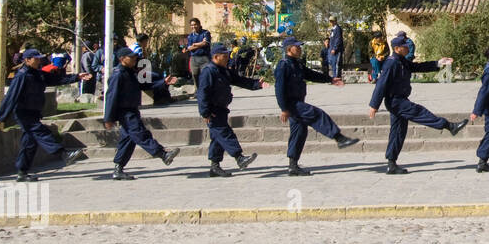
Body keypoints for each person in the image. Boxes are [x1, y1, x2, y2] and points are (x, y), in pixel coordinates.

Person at [368, 32, 465, 174]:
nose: (407, 47)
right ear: (397, 48)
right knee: (419, 112)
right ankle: (450, 126)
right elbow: (381, 85)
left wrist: (438, 63)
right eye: (404, 45)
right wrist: (374, 105)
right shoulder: (391, 63)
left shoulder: (401, 60)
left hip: (399, 100)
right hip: (396, 101)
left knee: (398, 132)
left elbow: (418, 67)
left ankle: (391, 163)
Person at [0, 48, 91, 181]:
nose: (39, 60)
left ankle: (22, 171)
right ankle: (63, 153)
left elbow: (57, 79)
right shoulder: (22, 76)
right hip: (23, 113)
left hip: (34, 112)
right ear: (27, 60)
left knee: (30, 143)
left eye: (39, 58)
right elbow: (11, 97)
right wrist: (0, 117)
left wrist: (77, 77)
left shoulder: (38, 74)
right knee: (41, 132)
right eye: (36, 58)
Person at [274, 36, 359, 176]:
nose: (300, 49)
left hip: (297, 102)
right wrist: (283, 108)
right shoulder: (283, 65)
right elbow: (279, 89)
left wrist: (330, 79)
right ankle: (339, 138)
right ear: (289, 49)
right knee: (317, 114)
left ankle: (293, 166)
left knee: (299, 132)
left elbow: (311, 75)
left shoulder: (297, 64)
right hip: (292, 104)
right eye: (297, 46)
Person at [103, 47, 182, 180]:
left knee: (127, 140)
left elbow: (145, 86)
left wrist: (163, 82)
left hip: (132, 109)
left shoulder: (130, 72)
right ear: (122, 59)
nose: (134, 59)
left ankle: (118, 168)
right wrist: (108, 118)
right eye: (131, 57)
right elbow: (111, 97)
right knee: (140, 133)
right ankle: (163, 154)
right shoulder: (118, 75)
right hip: (125, 112)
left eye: (134, 57)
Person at [197, 42, 265, 176]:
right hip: (213, 111)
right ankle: (239, 158)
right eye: (225, 55)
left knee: (218, 138)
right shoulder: (208, 71)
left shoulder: (224, 70)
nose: (228, 57)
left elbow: (239, 80)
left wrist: (256, 84)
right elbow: (202, 93)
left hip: (222, 109)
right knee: (225, 134)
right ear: (216, 57)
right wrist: (205, 112)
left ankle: (214, 167)